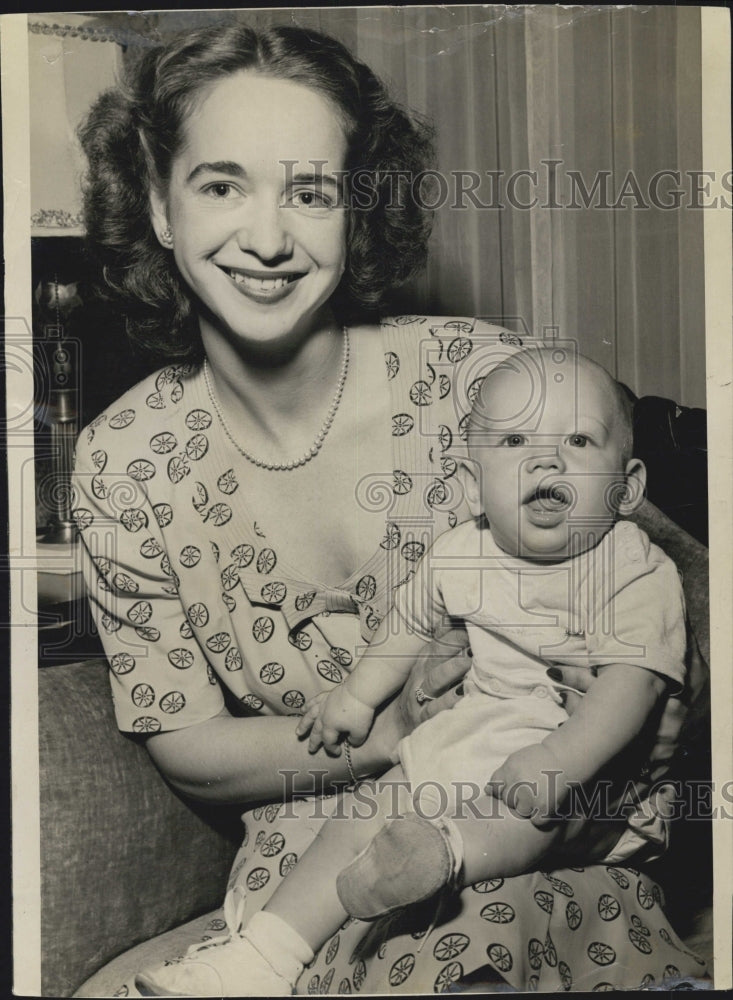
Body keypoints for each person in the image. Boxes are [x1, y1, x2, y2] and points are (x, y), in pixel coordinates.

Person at [72, 22, 708, 995]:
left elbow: (673, 621)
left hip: (543, 820)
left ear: (356, 210)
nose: (270, 236)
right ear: (159, 204)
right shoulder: (123, 461)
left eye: (311, 191)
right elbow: (189, 748)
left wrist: (616, 717)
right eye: (221, 184)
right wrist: (385, 727)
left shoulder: (493, 384)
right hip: (310, 843)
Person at [133, 347, 687, 996]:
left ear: (627, 486)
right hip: (470, 738)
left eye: (578, 440)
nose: (547, 458)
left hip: (586, 777)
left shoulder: (629, 565)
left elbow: (633, 686)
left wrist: (559, 760)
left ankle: (442, 853)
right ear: (475, 482)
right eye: (514, 440)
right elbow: (406, 628)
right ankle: (263, 957)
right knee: (369, 808)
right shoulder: (461, 551)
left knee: (535, 810)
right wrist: (354, 698)